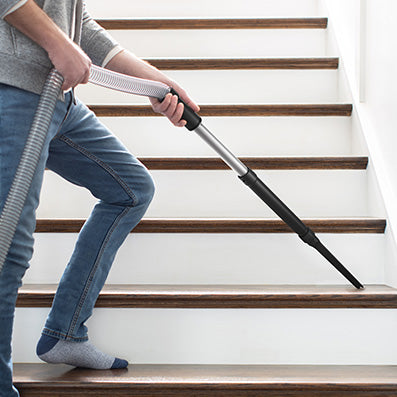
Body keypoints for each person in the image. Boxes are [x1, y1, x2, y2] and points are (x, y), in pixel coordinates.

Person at [0, 0, 200, 395]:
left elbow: (78, 23)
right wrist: (58, 43)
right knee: (9, 246)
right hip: (15, 89)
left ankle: (65, 332)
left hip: (58, 96)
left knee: (130, 189)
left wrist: (156, 82)